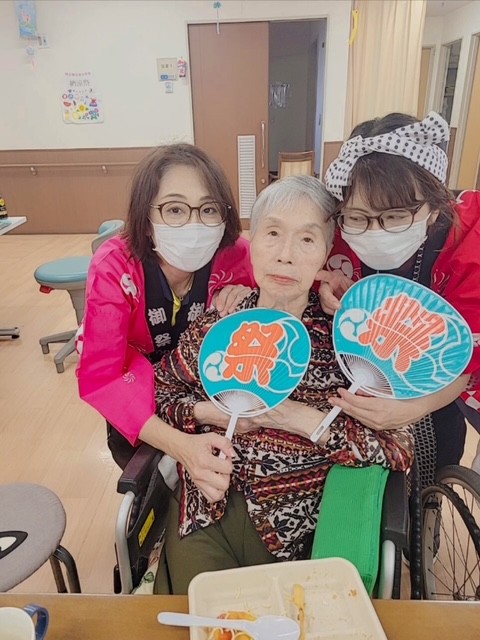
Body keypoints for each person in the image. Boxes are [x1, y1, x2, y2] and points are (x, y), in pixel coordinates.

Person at [152, 175, 414, 594]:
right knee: (201, 615)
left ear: (326, 254)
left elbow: (396, 447)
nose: (286, 256)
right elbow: (162, 392)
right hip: (203, 510)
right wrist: (208, 414)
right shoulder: (220, 324)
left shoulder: (347, 342)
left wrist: (298, 418)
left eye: (307, 240)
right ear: (252, 243)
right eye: (272, 234)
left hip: (295, 530)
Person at [320, 111, 480, 475]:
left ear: (435, 206)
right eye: (358, 217)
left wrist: (414, 408)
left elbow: (463, 357)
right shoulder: (339, 229)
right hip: (368, 376)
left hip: (450, 383)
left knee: (440, 462)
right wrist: (329, 290)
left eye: (395, 216)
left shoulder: (470, 247)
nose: (374, 231)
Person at [76, 144, 255, 469]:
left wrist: (251, 296)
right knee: (149, 478)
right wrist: (182, 447)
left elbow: (289, 289)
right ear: (146, 219)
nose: (194, 224)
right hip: (136, 395)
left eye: (209, 209)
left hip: (207, 391)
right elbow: (103, 375)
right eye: (174, 210)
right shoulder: (115, 267)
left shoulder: (239, 256)